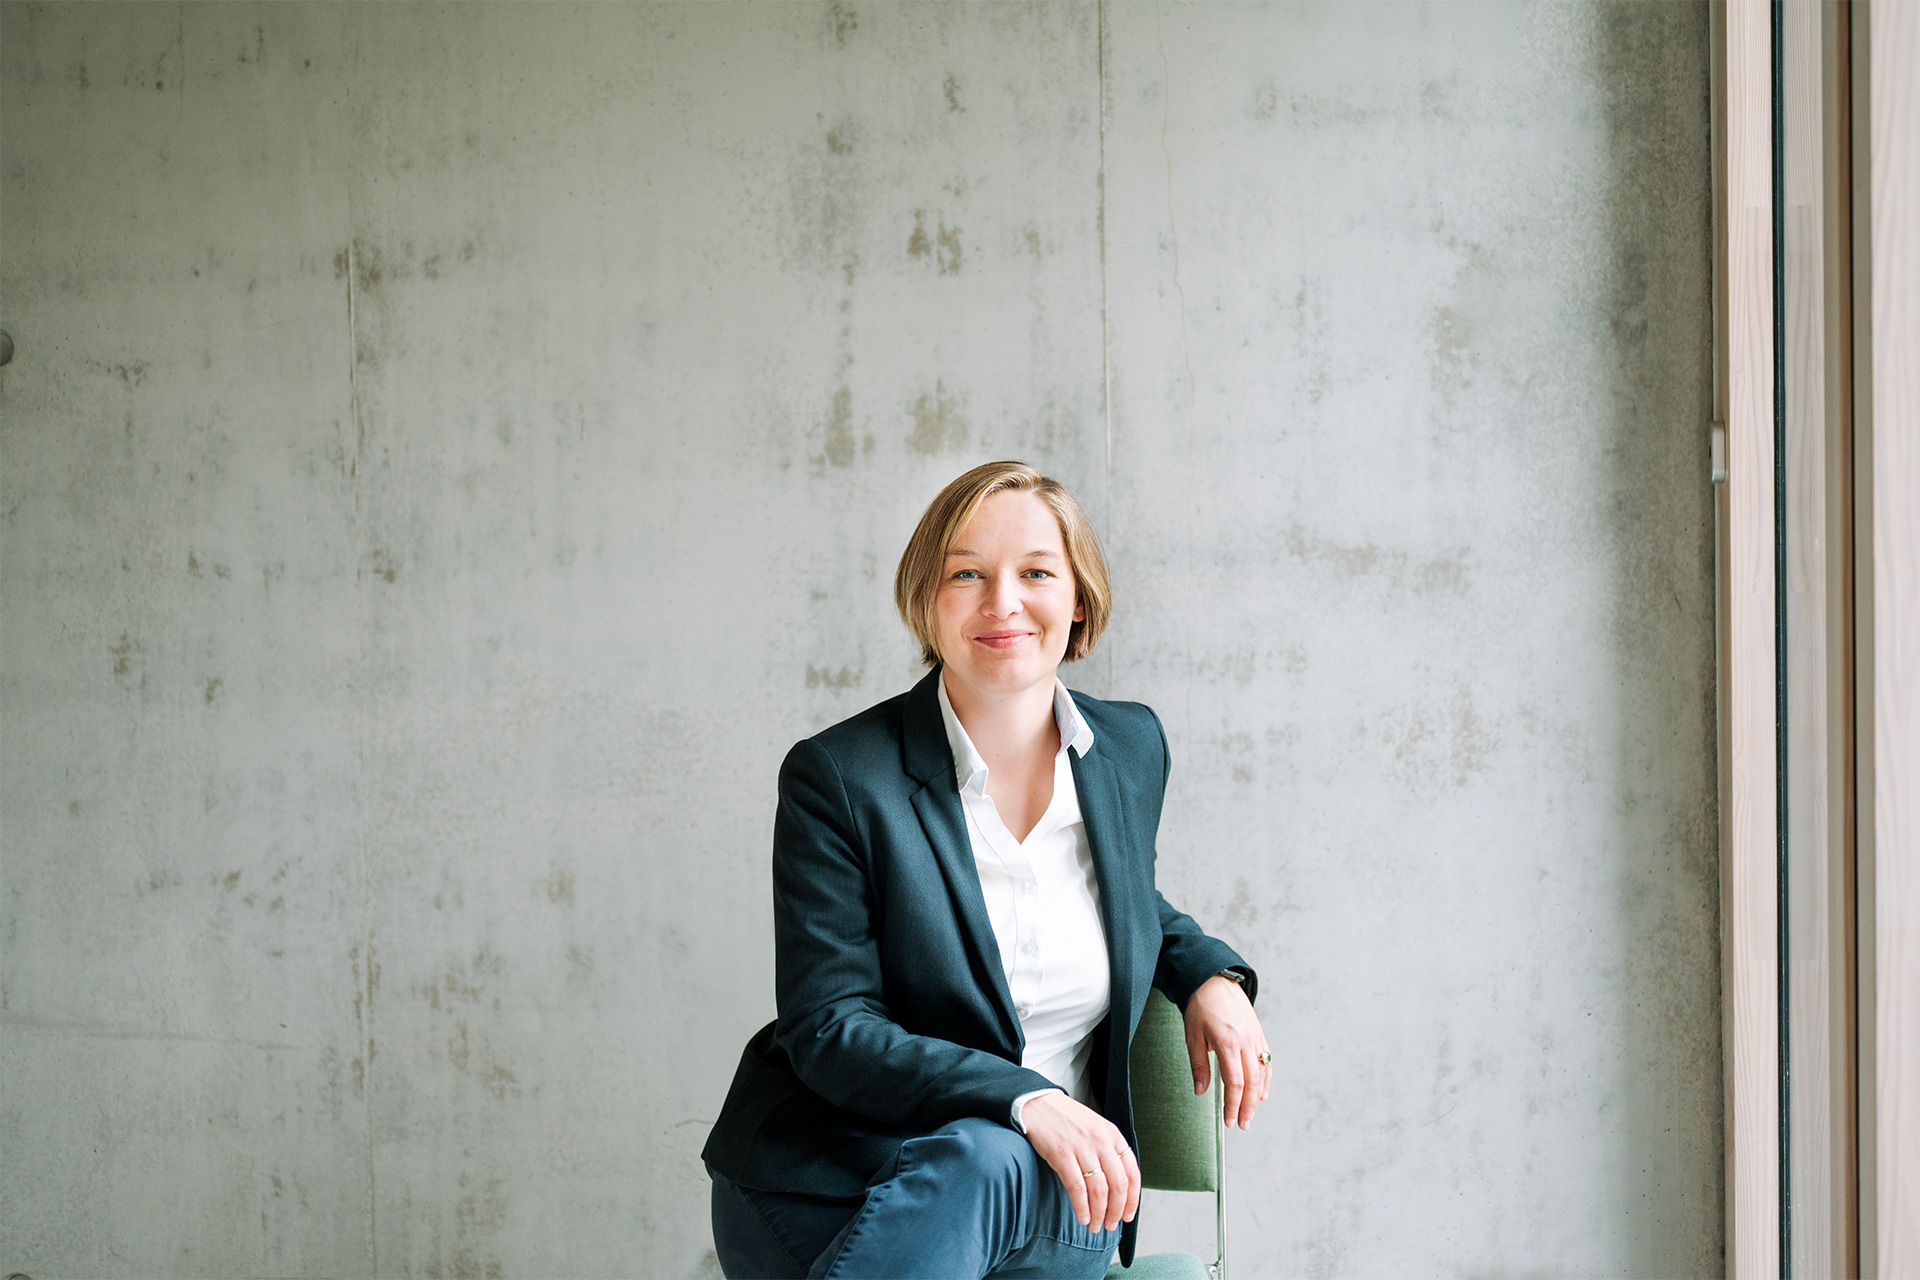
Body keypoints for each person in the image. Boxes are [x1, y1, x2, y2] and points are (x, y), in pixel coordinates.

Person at [702, 461, 1270, 1279]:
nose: (1003, 602)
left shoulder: (1129, 750)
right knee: (985, 1152)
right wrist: (1024, 1096)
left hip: (1053, 1197)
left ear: (1079, 598)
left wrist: (1207, 973)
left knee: (993, 1160)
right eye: (966, 574)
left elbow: (1119, 898)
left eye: (1036, 573)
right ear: (927, 602)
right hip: (837, 1182)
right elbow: (829, 1025)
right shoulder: (841, 777)